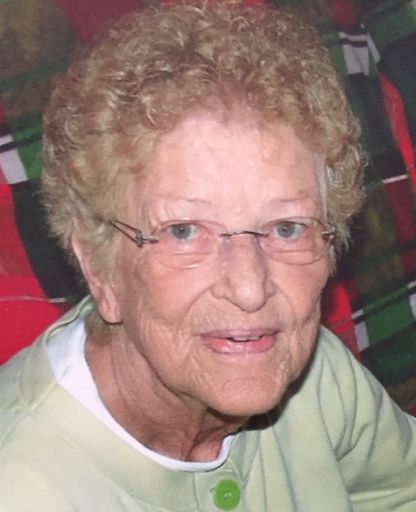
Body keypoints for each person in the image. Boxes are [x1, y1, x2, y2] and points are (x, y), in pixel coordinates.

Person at [0, 1, 415, 510]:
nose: (250, 288)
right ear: (98, 267)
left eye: (286, 228)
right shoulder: (24, 488)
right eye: (184, 231)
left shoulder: (315, 376)